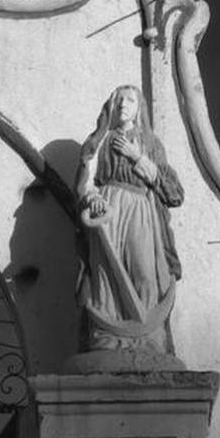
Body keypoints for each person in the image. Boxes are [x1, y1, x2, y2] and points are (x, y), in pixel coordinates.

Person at [74, 84, 183, 355]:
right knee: (105, 275)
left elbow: (173, 192)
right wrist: (92, 198)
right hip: (107, 212)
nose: (123, 105)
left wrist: (138, 157)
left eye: (130, 100)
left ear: (139, 109)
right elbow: (86, 179)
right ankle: (108, 337)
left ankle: (148, 335)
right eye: (119, 100)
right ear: (111, 106)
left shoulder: (150, 143)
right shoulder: (101, 140)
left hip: (140, 211)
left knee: (144, 271)